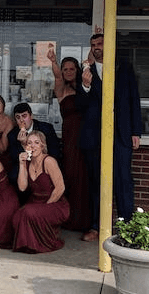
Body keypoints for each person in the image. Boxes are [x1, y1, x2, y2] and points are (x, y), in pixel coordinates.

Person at [77, 33, 143, 242]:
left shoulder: (124, 66)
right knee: (97, 182)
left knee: (123, 180)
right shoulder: (86, 71)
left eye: (100, 44)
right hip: (95, 136)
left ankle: (127, 228)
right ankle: (97, 227)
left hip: (121, 134)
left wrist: (136, 131)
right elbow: (80, 105)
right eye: (93, 45)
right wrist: (85, 87)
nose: (97, 47)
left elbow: (134, 99)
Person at [48, 47, 90, 232]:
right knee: (70, 174)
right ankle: (69, 217)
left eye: (72, 68)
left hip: (85, 135)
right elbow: (57, 76)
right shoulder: (61, 89)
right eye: (65, 69)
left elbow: (92, 64)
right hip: (69, 137)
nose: (68, 72)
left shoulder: (85, 86)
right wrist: (53, 61)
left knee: (85, 177)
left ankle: (84, 221)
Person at [12, 130, 69, 253]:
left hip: (54, 203)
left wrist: (45, 208)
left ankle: (41, 244)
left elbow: (60, 188)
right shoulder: (27, 162)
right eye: (29, 143)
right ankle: (28, 244)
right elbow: (22, 187)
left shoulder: (49, 161)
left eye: (36, 143)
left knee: (28, 212)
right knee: (18, 215)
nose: (32, 146)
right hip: (35, 202)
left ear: (42, 145)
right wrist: (22, 164)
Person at [6, 102, 61, 186]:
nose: (21, 120)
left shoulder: (46, 128)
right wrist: (23, 145)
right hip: (25, 167)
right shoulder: (12, 134)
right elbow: (15, 158)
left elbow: (54, 152)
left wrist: (26, 144)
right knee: (13, 175)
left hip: (44, 164)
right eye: (18, 117)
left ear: (31, 116)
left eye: (24, 116)